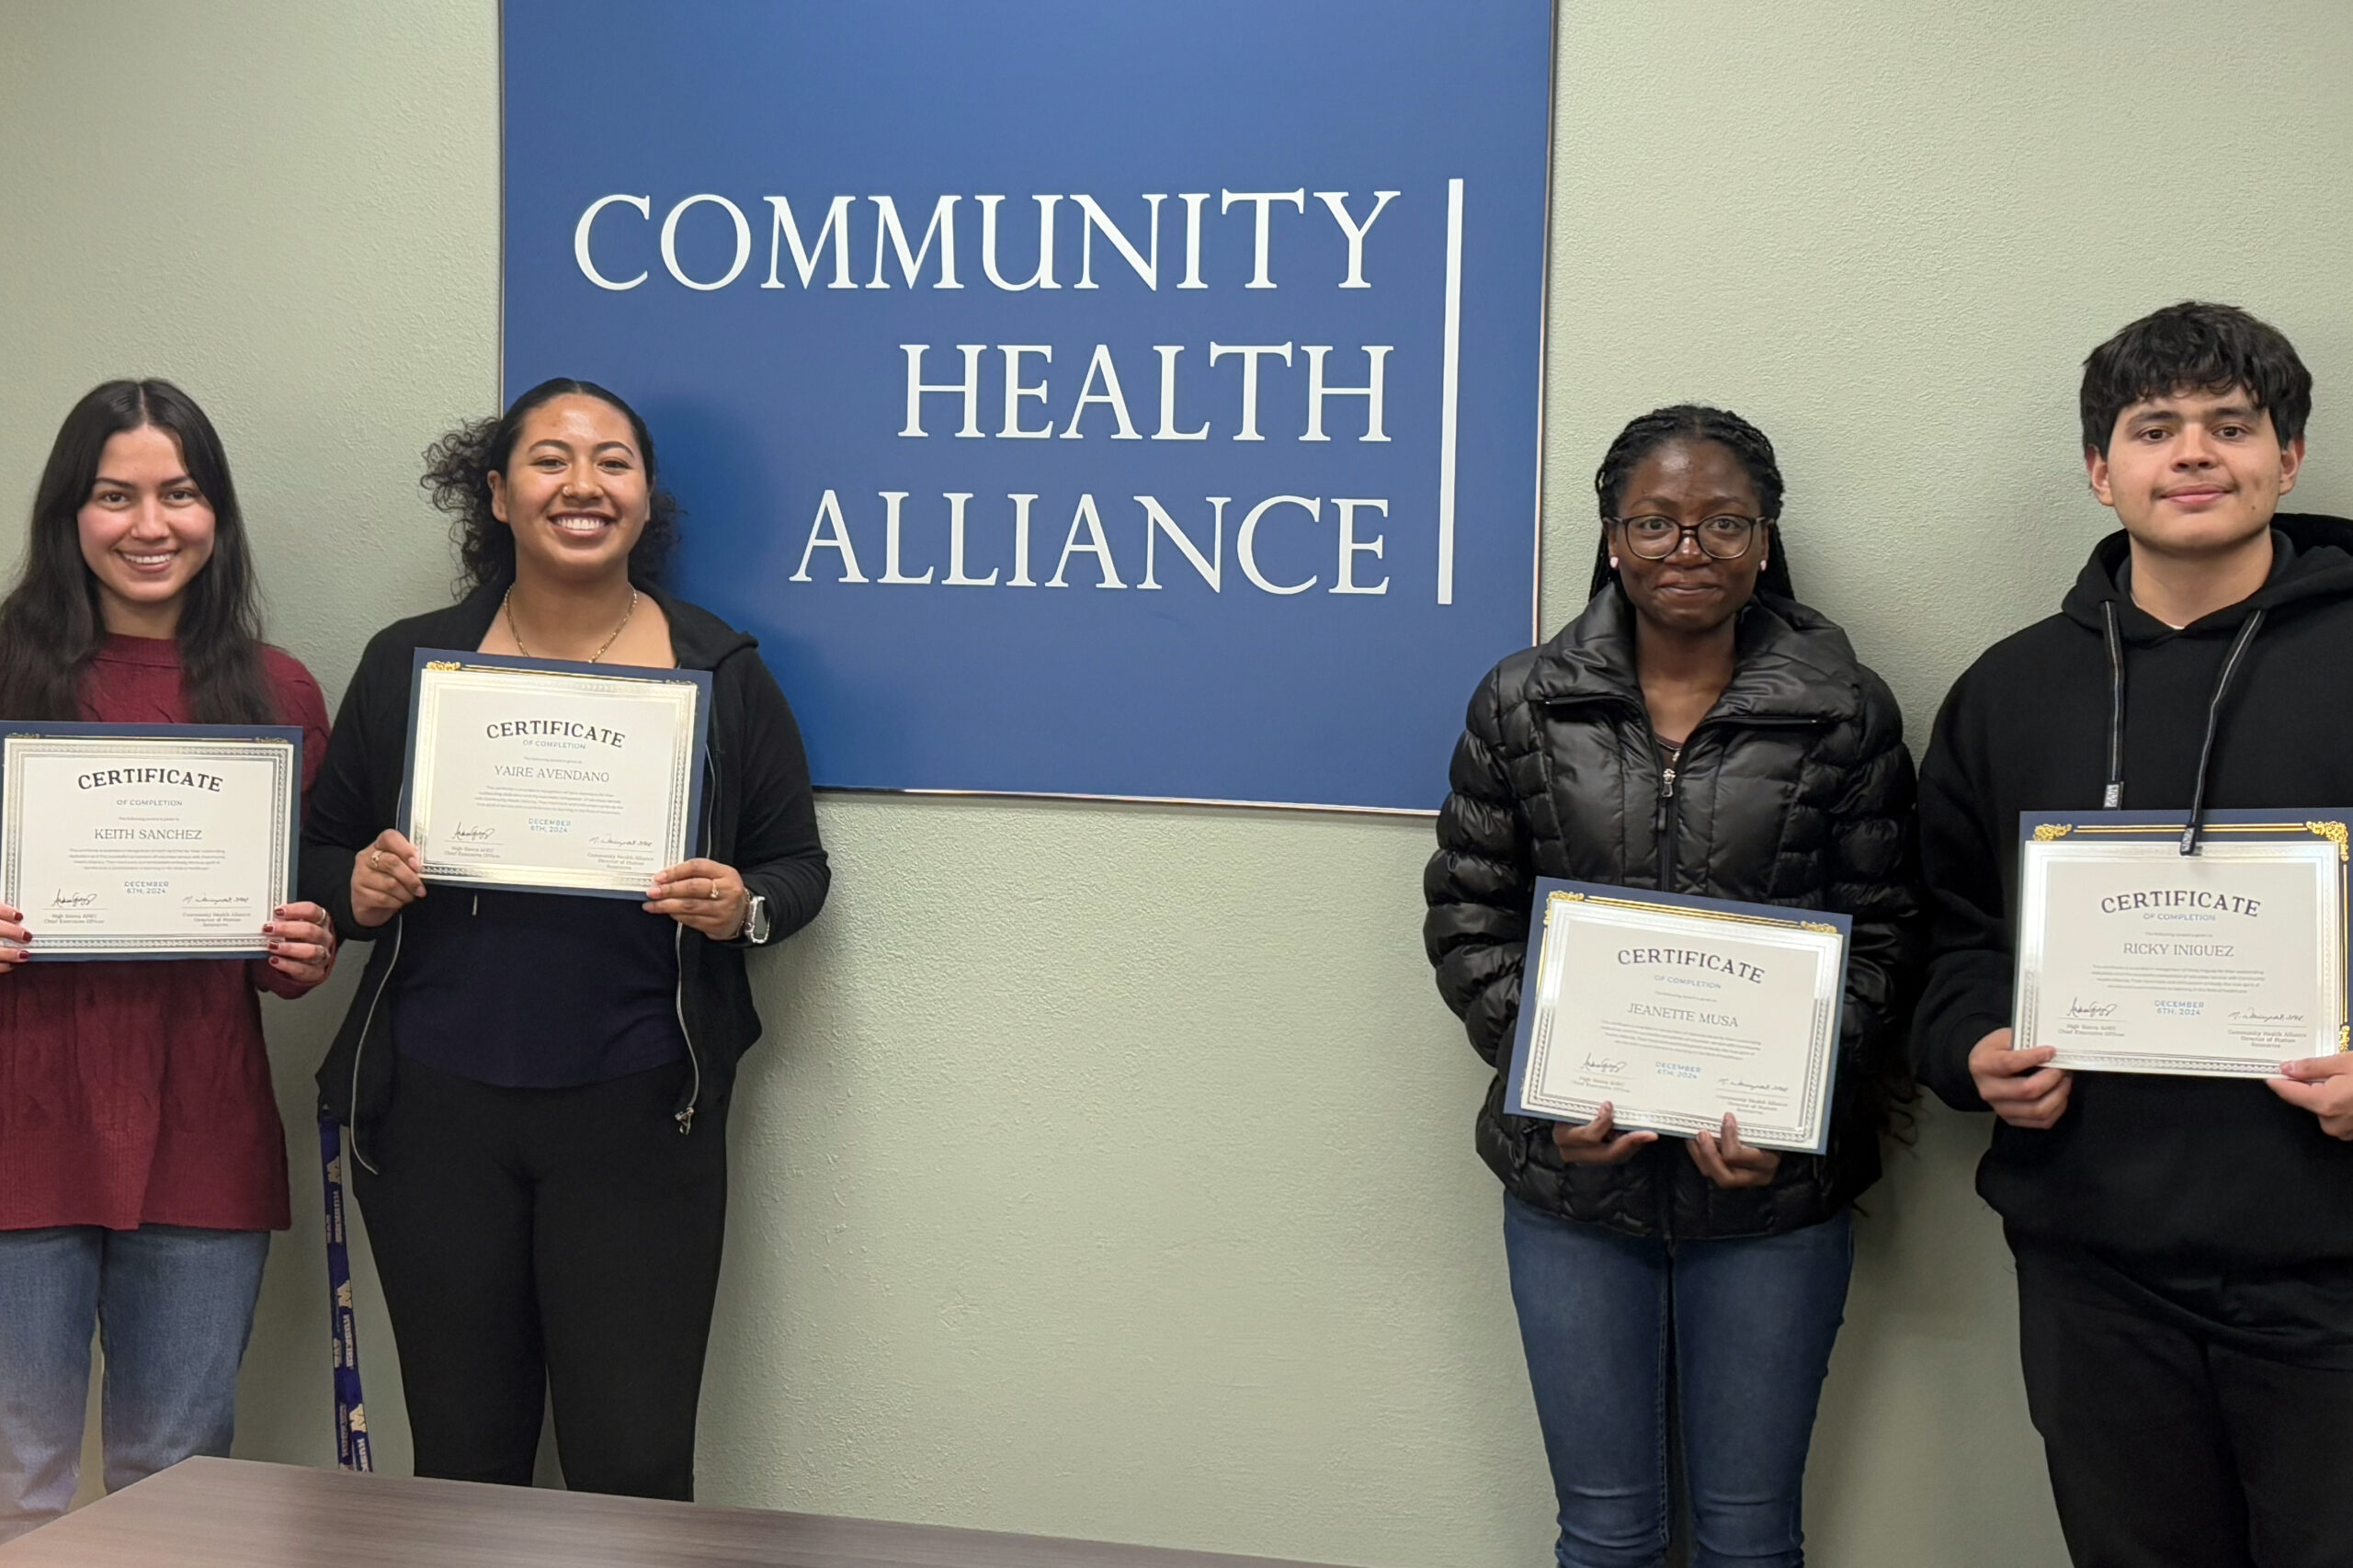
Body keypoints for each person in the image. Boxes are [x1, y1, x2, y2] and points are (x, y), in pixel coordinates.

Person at [300, 377, 829, 1501]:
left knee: (632, 1465)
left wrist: (743, 906)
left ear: (645, 501)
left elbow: (800, 869)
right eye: (548, 460)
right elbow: (316, 854)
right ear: (494, 493)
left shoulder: (720, 671)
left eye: (611, 463)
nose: (580, 485)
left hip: (642, 1109)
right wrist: (358, 884)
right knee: (462, 1463)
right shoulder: (412, 664)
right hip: (436, 1111)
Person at [1424, 405, 1923, 1568]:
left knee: (1751, 1537)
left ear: (1763, 540)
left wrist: (1782, 1100)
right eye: (1655, 522)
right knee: (1604, 1534)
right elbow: (1468, 914)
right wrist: (1551, 1082)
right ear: (1611, 538)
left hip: (1772, 1189)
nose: (1686, 548)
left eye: (1720, 523)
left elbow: (1889, 933)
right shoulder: (1521, 701)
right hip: (1570, 1187)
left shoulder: (1845, 708)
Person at [1914, 301, 2353, 1568]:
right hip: (2095, 1267)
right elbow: (1953, 933)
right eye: (2155, 428)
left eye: (2231, 424)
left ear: (2291, 457)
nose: (2195, 453)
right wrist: (1971, 1045)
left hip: (2331, 1264)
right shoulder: (2008, 691)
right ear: (2101, 470)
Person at [0, 380, 336, 1543]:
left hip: (201, 1126)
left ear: (216, 512)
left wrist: (301, 944)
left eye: (178, 493)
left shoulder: (278, 692)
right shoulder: (1, 673)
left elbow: (278, 951)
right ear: (69, 513)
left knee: (176, 1487)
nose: (150, 524)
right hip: (18, 1119)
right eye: (115, 494)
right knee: (19, 1484)